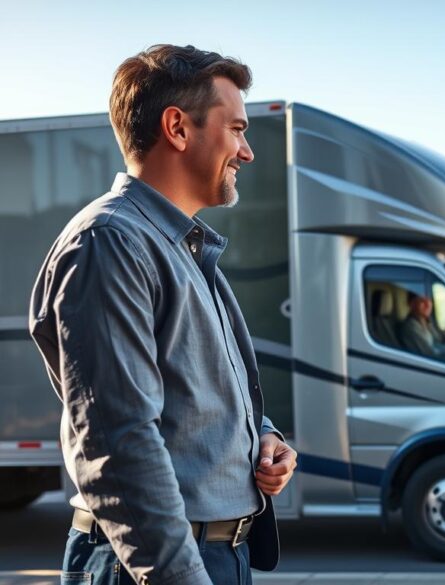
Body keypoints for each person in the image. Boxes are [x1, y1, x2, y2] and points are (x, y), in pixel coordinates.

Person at [27, 44, 296, 585]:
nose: (246, 152)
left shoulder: (180, 247)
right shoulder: (112, 243)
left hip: (213, 556)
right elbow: (117, 442)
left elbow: (192, 398)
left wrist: (261, 436)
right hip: (154, 566)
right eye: (237, 129)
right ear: (177, 127)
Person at [399, 291, 445, 359]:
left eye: (429, 300)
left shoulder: (427, 322)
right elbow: (430, 355)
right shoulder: (410, 328)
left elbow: (440, 339)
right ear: (412, 304)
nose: (428, 304)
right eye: (422, 301)